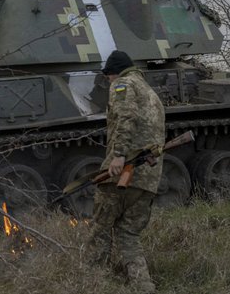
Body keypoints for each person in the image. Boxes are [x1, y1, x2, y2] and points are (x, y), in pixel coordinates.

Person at [90, 50, 165, 293]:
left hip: (123, 173)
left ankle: (92, 282)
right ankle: (144, 286)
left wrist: (119, 155)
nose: (109, 82)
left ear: (113, 73)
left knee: (99, 231)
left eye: (108, 78)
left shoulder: (122, 84)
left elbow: (125, 116)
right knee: (128, 235)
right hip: (148, 180)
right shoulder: (150, 92)